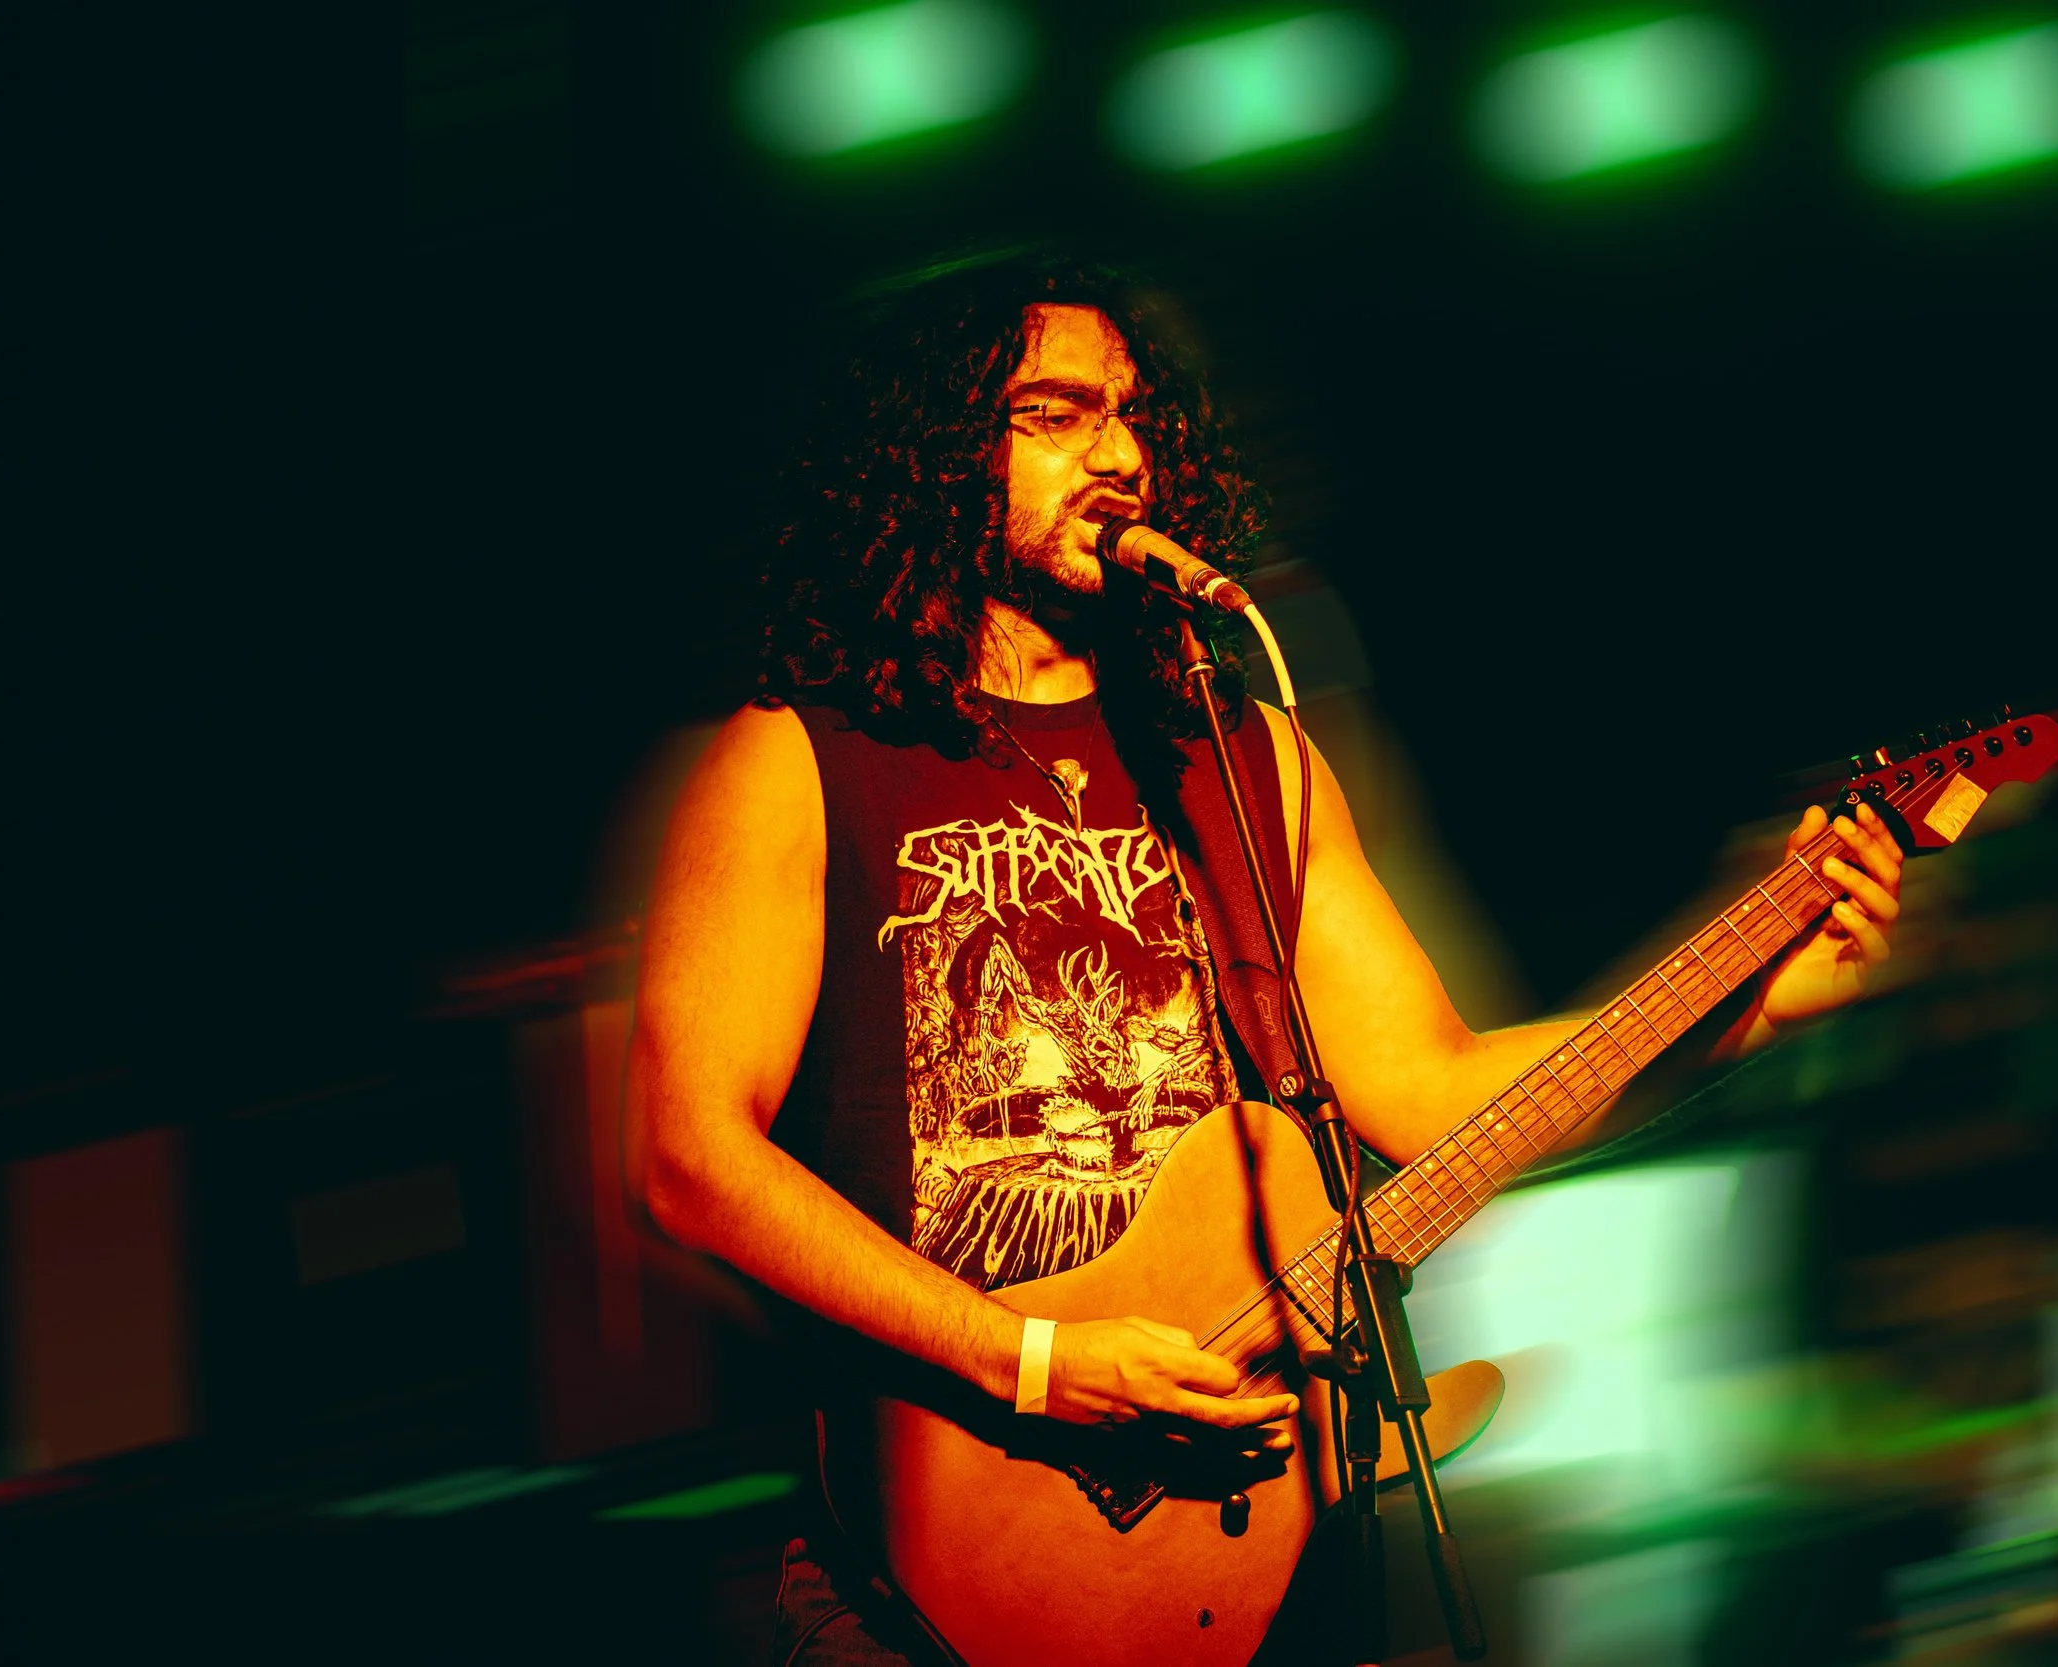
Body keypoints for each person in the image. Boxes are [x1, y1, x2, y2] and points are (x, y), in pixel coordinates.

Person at [623, 251, 1906, 1664]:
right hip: (931, 1565)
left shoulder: (1244, 759)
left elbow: (1437, 1094)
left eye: (1131, 416)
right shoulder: (799, 760)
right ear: (932, 458)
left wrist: (1748, 1004)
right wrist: (1033, 1363)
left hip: (1240, 1540)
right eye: (1054, 414)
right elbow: (690, 1155)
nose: (1117, 454)